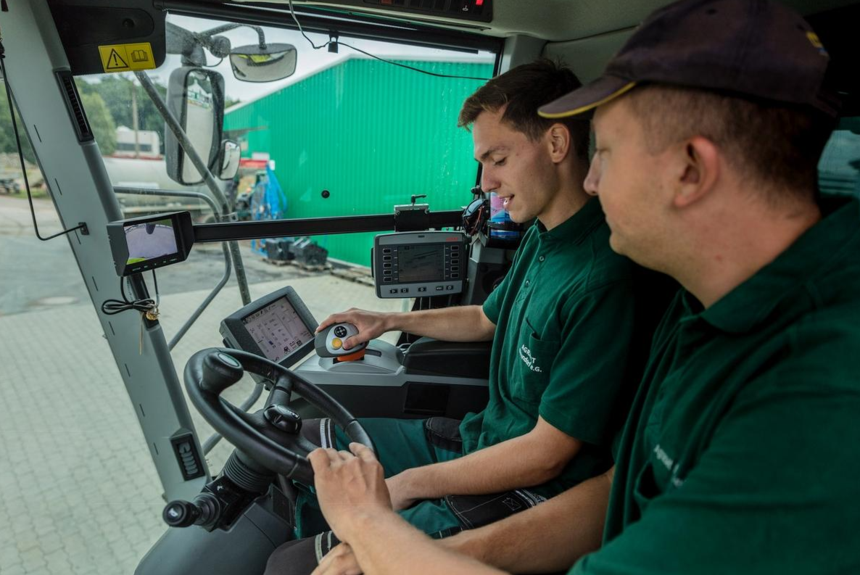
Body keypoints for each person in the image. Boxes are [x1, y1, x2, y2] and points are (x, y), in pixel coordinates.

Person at [299, 0, 860, 574]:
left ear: (690, 169)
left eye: (608, 154)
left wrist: (371, 528)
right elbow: (618, 486)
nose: (591, 180)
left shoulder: (822, 393)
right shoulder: (706, 304)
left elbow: (566, 469)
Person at [265, 60, 671, 574]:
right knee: (306, 447)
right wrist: (387, 322)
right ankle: (326, 532)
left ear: (556, 146)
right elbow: (484, 319)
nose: (486, 182)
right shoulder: (545, 235)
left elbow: (547, 455)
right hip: (479, 438)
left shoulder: (602, 279)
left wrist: (407, 485)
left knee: (290, 567)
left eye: (497, 158)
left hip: (530, 486)